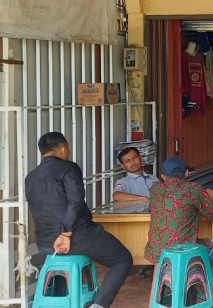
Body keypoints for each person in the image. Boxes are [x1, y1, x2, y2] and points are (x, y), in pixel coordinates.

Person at [25, 132, 132, 308]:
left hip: (45, 243)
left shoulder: (31, 176)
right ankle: (99, 305)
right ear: (63, 149)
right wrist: (66, 233)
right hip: (74, 238)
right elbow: (75, 202)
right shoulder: (68, 168)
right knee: (123, 259)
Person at [145, 158, 213, 308]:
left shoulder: (155, 190)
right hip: (184, 253)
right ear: (186, 173)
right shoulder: (194, 189)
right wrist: (210, 196)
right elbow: (212, 214)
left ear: (162, 176)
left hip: (159, 253)